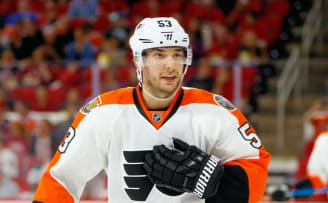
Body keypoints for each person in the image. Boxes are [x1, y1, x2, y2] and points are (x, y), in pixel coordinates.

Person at [33, 17, 270, 203]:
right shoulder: (103, 112)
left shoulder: (216, 112)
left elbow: (256, 168)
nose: (170, 64)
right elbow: (61, 179)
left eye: (177, 55)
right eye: (159, 55)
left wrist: (216, 181)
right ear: (139, 60)